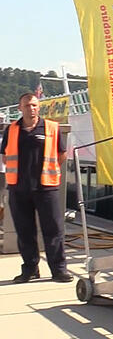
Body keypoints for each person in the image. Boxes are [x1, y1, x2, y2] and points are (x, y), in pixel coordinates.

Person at [1, 93, 72, 283]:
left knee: (53, 230)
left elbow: (61, 154)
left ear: (38, 107)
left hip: (46, 188)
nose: (30, 108)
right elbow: (5, 157)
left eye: (33, 105)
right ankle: (30, 269)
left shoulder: (51, 128)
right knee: (25, 232)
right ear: (20, 108)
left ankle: (59, 270)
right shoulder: (12, 130)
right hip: (18, 188)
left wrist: (48, 171)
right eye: (26, 105)